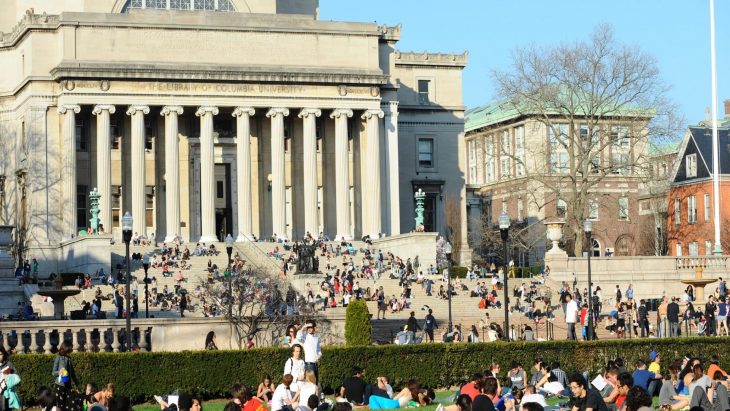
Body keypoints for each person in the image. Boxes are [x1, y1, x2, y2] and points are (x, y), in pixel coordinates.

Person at [52, 341, 79, 411]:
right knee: (60, 407)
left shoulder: (69, 359)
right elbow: (53, 373)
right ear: (66, 348)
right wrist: (59, 372)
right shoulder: (58, 358)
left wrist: (77, 384)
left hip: (68, 386)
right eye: (70, 348)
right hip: (59, 386)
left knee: (72, 405)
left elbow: (72, 373)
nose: (71, 350)